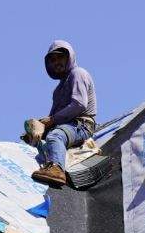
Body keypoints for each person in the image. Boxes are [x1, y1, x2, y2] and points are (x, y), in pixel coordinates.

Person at [25, 40, 97, 185]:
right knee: (43, 140)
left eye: (60, 57)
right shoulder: (58, 90)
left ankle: (57, 169)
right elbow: (53, 118)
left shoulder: (78, 74)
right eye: (53, 60)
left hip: (82, 124)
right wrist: (38, 130)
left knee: (55, 135)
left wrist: (51, 121)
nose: (56, 62)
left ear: (69, 57)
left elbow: (79, 104)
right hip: (67, 126)